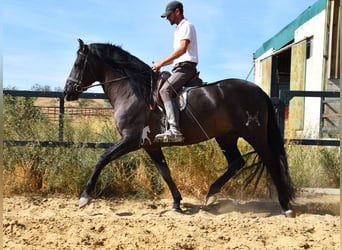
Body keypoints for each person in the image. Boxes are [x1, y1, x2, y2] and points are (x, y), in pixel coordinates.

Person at [153, 1, 198, 143]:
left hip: (186, 67)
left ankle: (175, 130)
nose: (167, 18)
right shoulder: (178, 29)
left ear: (177, 12)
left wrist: (161, 62)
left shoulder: (187, 26)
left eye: (169, 15)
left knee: (165, 90)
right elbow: (177, 55)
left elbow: (182, 50)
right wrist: (161, 65)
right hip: (178, 67)